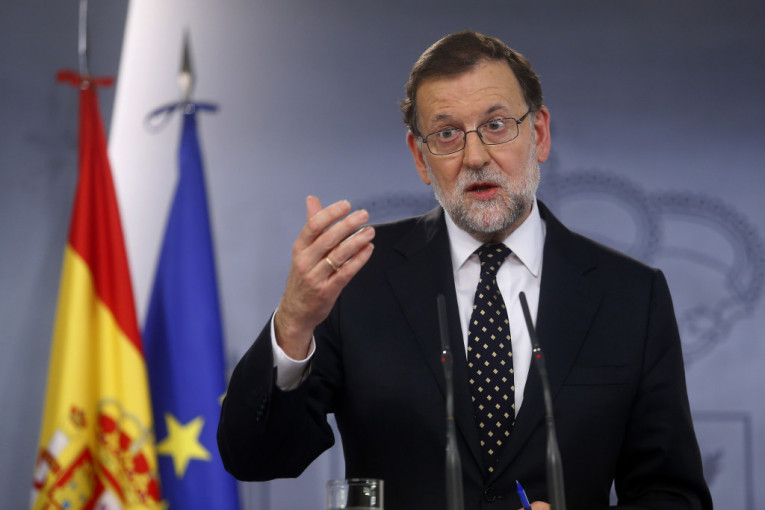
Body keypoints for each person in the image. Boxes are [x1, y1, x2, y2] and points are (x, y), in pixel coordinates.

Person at [218, 31, 712, 510]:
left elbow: (675, 496)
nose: (475, 157)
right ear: (420, 157)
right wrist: (294, 323)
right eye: (447, 134)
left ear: (538, 134)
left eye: (496, 125)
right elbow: (256, 458)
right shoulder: (356, 277)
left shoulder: (630, 296)